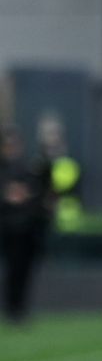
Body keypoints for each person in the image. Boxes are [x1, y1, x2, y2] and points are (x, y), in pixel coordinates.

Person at [0, 128, 50, 325]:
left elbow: (38, 194)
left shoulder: (27, 168)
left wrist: (25, 195)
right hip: (6, 228)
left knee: (23, 271)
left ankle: (19, 309)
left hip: (25, 230)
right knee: (11, 271)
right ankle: (12, 309)